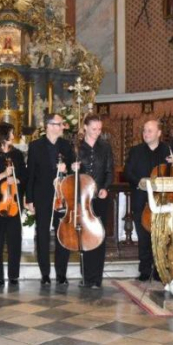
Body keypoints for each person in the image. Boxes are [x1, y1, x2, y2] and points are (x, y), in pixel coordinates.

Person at [124, 119, 173, 281]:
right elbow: (127, 172)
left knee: (163, 237)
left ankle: (161, 269)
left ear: (159, 133)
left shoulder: (171, 150)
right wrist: (138, 181)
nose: (146, 133)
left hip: (165, 202)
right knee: (144, 236)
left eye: (150, 131)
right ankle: (145, 270)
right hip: (142, 200)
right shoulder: (136, 151)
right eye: (144, 130)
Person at [26, 113, 75, 285]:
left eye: (62, 124)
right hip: (42, 196)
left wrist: (67, 167)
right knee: (43, 235)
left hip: (63, 196)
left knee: (63, 234)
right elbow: (30, 173)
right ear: (49, 126)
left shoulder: (66, 146)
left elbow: (73, 170)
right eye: (59, 124)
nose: (62, 127)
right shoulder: (35, 146)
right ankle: (45, 274)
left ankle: (61, 273)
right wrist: (29, 199)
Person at [0, 122, 27, 285]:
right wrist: (3, 174)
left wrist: (16, 179)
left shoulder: (17, 155)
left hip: (14, 202)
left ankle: (13, 275)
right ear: (3, 136)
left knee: (15, 238)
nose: (14, 136)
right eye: (11, 133)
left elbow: (24, 175)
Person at [77, 114, 114, 289]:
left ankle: (97, 278)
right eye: (94, 129)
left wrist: (105, 188)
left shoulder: (105, 147)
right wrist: (72, 167)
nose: (97, 132)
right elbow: (69, 175)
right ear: (85, 127)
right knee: (84, 236)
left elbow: (109, 171)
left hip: (100, 197)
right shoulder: (76, 147)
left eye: (99, 129)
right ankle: (86, 277)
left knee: (98, 235)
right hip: (82, 197)